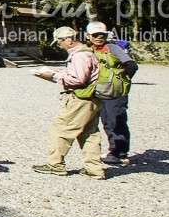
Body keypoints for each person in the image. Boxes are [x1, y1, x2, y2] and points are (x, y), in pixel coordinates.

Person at [33, 26, 105, 178]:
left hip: (79, 98)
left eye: (59, 42)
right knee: (89, 133)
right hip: (92, 99)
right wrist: (62, 72)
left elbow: (78, 79)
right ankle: (94, 169)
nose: (59, 45)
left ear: (69, 40)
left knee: (60, 129)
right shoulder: (89, 52)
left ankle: (55, 164)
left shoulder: (79, 56)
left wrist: (53, 76)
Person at [86, 21, 137, 165]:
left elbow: (131, 65)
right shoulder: (89, 50)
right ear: (88, 36)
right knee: (107, 120)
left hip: (114, 91)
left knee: (117, 119)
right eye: (95, 35)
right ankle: (113, 149)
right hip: (100, 91)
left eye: (102, 34)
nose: (99, 37)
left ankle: (120, 152)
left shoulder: (113, 48)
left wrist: (120, 82)